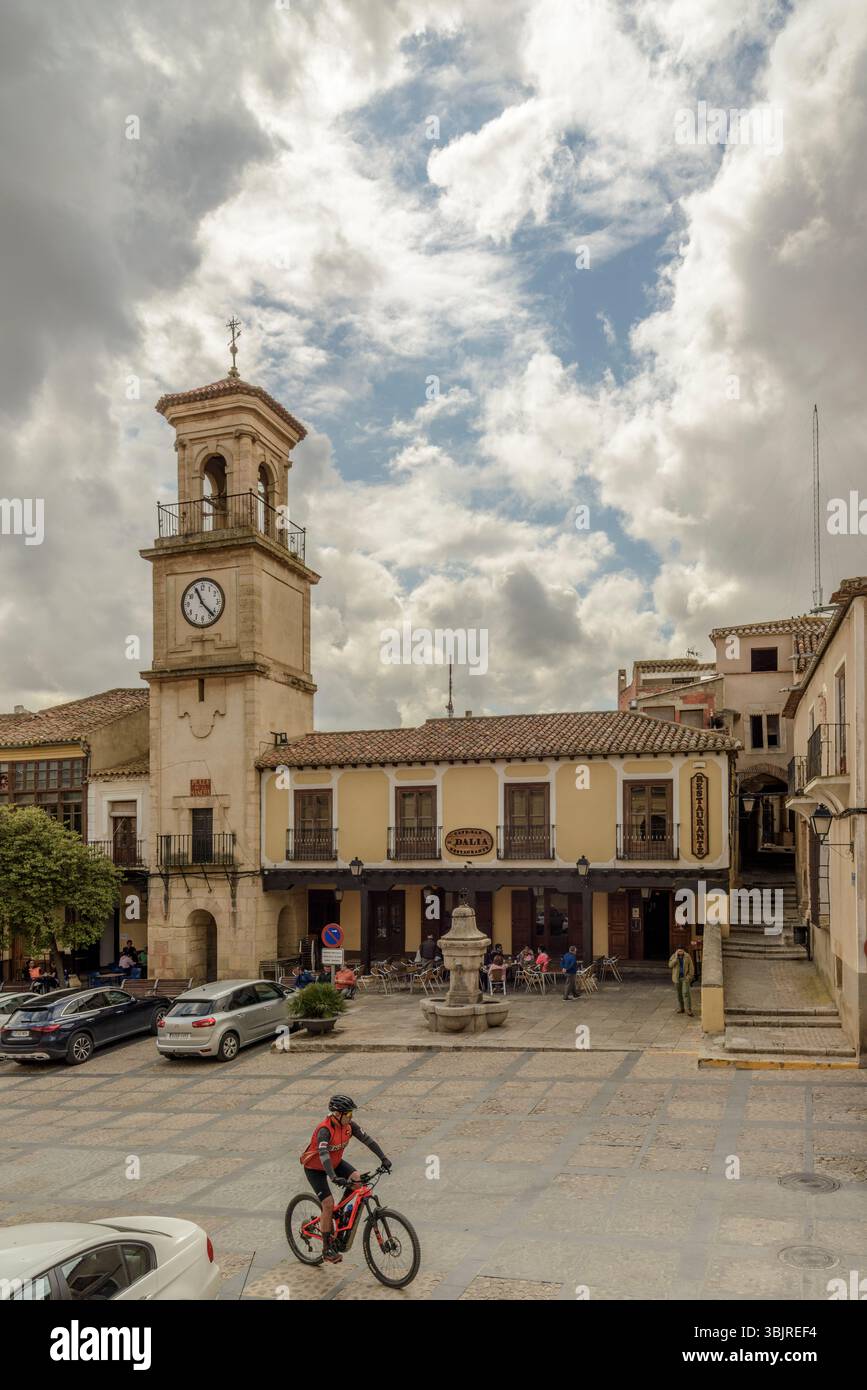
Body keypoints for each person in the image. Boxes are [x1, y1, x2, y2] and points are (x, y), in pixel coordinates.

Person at [300, 1094, 391, 1264]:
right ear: (336, 1114)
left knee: (357, 1180)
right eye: (347, 1114)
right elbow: (323, 1154)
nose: (350, 1117)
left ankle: (340, 1213)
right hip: (315, 1168)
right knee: (327, 1204)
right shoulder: (324, 1130)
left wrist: (383, 1158)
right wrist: (333, 1177)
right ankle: (327, 1249)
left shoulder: (349, 1126)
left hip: (335, 1162)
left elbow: (368, 1140)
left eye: (351, 1114)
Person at [668, 945, 695, 1017]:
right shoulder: (674, 956)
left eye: (681, 951)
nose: (680, 952)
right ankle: (681, 1008)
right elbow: (670, 965)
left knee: (686, 993)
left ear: (684, 951)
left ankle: (688, 1009)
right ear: (676, 951)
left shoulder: (687, 956)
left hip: (685, 978)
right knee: (678, 994)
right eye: (679, 951)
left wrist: (689, 977)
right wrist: (676, 958)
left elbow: (691, 967)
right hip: (676, 979)